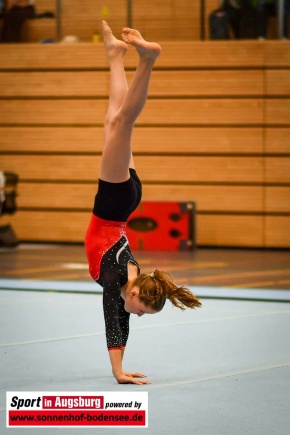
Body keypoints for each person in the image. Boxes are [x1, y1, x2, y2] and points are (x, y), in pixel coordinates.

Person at [85, 21, 202, 385]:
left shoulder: (133, 275)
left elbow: (119, 318)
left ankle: (114, 55)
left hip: (126, 200)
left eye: (142, 313)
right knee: (122, 123)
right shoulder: (116, 278)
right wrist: (118, 372)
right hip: (114, 202)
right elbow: (114, 320)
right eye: (142, 310)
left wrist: (121, 369)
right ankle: (147, 60)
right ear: (135, 293)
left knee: (112, 122)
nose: (137, 315)